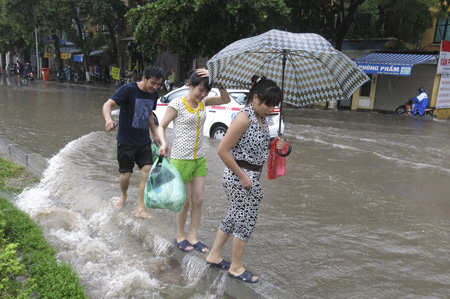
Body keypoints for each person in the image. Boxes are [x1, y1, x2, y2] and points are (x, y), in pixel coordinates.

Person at [205, 75, 285, 283]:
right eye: (269, 104)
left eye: (274, 106)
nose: (271, 109)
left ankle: (214, 255)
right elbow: (223, 150)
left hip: (248, 175)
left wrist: (273, 144)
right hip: (240, 176)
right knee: (246, 220)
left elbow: (253, 147)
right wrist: (242, 176)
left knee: (234, 215)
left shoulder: (261, 118)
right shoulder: (243, 118)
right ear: (256, 99)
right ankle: (236, 266)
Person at [158, 68, 231, 252]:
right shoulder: (178, 104)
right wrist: (164, 143)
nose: (203, 94)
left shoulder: (203, 102)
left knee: (198, 199)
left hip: (199, 157)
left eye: (206, 91)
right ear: (190, 85)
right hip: (181, 159)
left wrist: (216, 77)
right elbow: (162, 126)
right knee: (185, 201)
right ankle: (180, 236)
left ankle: (193, 236)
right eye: (200, 90)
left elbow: (225, 99)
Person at [102, 65, 164, 219]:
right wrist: (108, 120)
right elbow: (107, 104)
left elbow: (149, 113)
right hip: (126, 141)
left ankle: (140, 209)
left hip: (143, 141)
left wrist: (155, 134)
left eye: (158, 84)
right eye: (153, 83)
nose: (155, 87)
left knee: (147, 172)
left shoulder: (153, 94)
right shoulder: (128, 90)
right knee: (126, 175)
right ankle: (123, 196)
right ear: (144, 78)